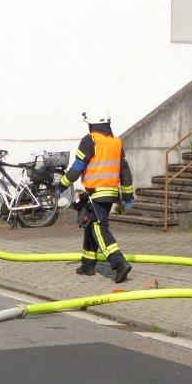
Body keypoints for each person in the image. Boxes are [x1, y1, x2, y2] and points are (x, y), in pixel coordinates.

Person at [57, 110, 135, 283]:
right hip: (110, 193)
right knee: (89, 224)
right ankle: (88, 264)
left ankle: (119, 263)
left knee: (98, 228)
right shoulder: (116, 142)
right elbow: (125, 171)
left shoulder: (90, 140)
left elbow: (77, 168)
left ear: (92, 124)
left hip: (96, 193)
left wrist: (62, 184)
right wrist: (128, 195)